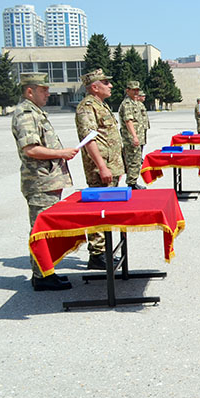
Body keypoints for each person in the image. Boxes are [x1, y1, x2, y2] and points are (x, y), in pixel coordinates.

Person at [11, 73, 78, 291]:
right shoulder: (25, 113)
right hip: (39, 182)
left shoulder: (36, 112)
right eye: (43, 90)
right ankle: (41, 276)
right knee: (40, 230)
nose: (48, 93)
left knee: (47, 229)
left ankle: (47, 272)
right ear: (30, 91)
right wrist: (61, 153)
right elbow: (31, 149)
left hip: (47, 180)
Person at [75, 69, 125, 270]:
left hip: (111, 166)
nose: (110, 85)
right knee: (99, 210)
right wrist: (102, 167)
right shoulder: (87, 107)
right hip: (100, 169)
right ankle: (97, 254)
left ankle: (105, 251)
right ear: (94, 87)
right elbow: (89, 139)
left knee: (107, 210)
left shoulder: (101, 105)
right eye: (106, 82)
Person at [118, 80, 147, 189]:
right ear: (127, 90)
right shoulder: (127, 104)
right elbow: (128, 121)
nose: (136, 92)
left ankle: (133, 181)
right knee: (133, 160)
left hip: (138, 136)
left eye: (137, 90)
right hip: (131, 138)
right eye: (133, 90)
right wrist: (134, 136)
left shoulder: (135, 102)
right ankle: (131, 183)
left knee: (137, 160)